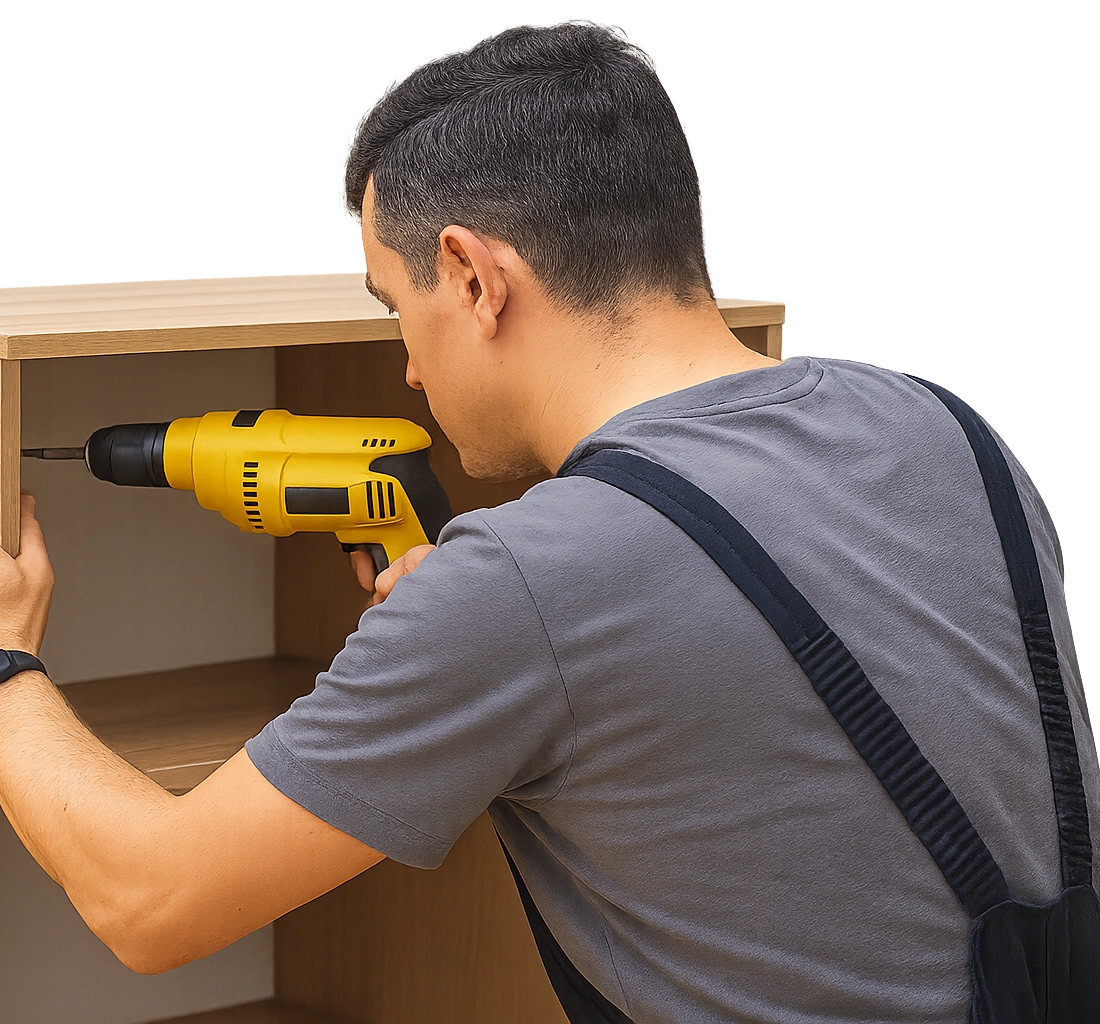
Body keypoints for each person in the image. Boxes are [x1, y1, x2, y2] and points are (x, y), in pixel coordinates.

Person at [247, 18, 1095, 1023]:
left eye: (397, 307)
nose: (408, 368)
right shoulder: (950, 429)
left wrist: (3, 652)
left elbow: (144, 900)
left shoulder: (526, 577)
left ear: (475, 277)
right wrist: (492, 632)